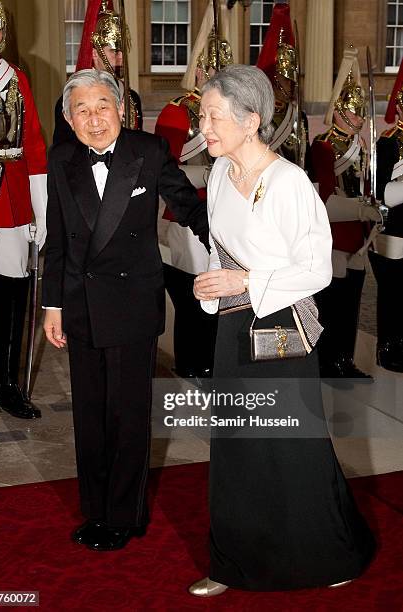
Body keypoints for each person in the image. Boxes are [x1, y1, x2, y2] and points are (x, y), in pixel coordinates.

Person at [189, 64, 375, 596]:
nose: (204, 126)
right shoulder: (221, 173)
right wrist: (214, 284)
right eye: (204, 114)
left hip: (281, 332)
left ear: (252, 121)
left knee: (292, 448)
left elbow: (316, 271)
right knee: (236, 447)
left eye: (214, 116)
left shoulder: (289, 182)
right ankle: (230, 563)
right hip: (231, 328)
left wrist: (245, 279)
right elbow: (220, 247)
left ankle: (330, 553)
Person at [42, 69, 209, 552]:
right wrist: (51, 305)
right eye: (81, 111)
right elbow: (58, 240)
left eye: (102, 107)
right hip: (79, 303)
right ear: (69, 120)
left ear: (122, 109)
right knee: (90, 415)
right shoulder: (61, 159)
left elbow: (189, 207)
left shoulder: (148, 151)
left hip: (132, 302)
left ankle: (124, 514)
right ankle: (96, 509)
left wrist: (233, 249)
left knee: (128, 416)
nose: (94, 120)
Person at [0, 0, 47, 428]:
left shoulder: (16, 77)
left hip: (15, 203)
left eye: (0, 27)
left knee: (13, 301)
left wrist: (42, 210)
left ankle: (6, 385)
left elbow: (34, 145)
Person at [154, 13, 233, 378]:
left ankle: (213, 363)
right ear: (199, 72)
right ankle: (192, 365)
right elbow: (164, 172)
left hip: (225, 214)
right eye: (212, 71)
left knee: (220, 293)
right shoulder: (176, 112)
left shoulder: (232, 112)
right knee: (194, 297)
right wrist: (210, 173)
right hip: (187, 218)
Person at [311, 46, 381, 379]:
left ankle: (344, 359)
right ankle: (327, 361)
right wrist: (361, 208)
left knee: (352, 302)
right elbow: (324, 198)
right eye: (354, 112)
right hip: (336, 234)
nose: (359, 118)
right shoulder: (324, 145)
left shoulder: (363, 147)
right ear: (338, 110)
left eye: (361, 112)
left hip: (359, 235)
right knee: (332, 303)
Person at [53, 0, 142, 145]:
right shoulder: (69, 101)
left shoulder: (132, 98)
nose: (121, 57)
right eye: (114, 51)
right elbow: (64, 153)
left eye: (123, 52)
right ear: (95, 54)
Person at [369, 57, 403, 372]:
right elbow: (381, 191)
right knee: (392, 293)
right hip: (393, 228)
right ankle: (388, 348)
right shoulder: (389, 143)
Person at [256, 0, 311, 173]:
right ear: (274, 80)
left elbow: (305, 157)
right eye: (287, 80)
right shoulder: (259, 115)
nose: (292, 85)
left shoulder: (298, 115)